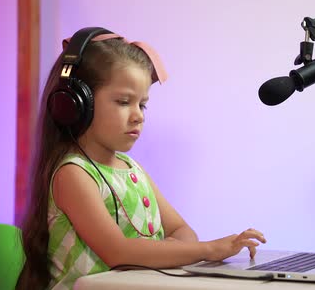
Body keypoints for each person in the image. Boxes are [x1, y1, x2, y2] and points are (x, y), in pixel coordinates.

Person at [17, 29, 266, 290]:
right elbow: (118, 252)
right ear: (77, 104)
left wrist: (159, 251)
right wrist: (208, 250)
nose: (138, 116)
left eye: (142, 104)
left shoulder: (132, 170)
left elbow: (183, 231)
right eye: (124, 101)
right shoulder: (73, 174)